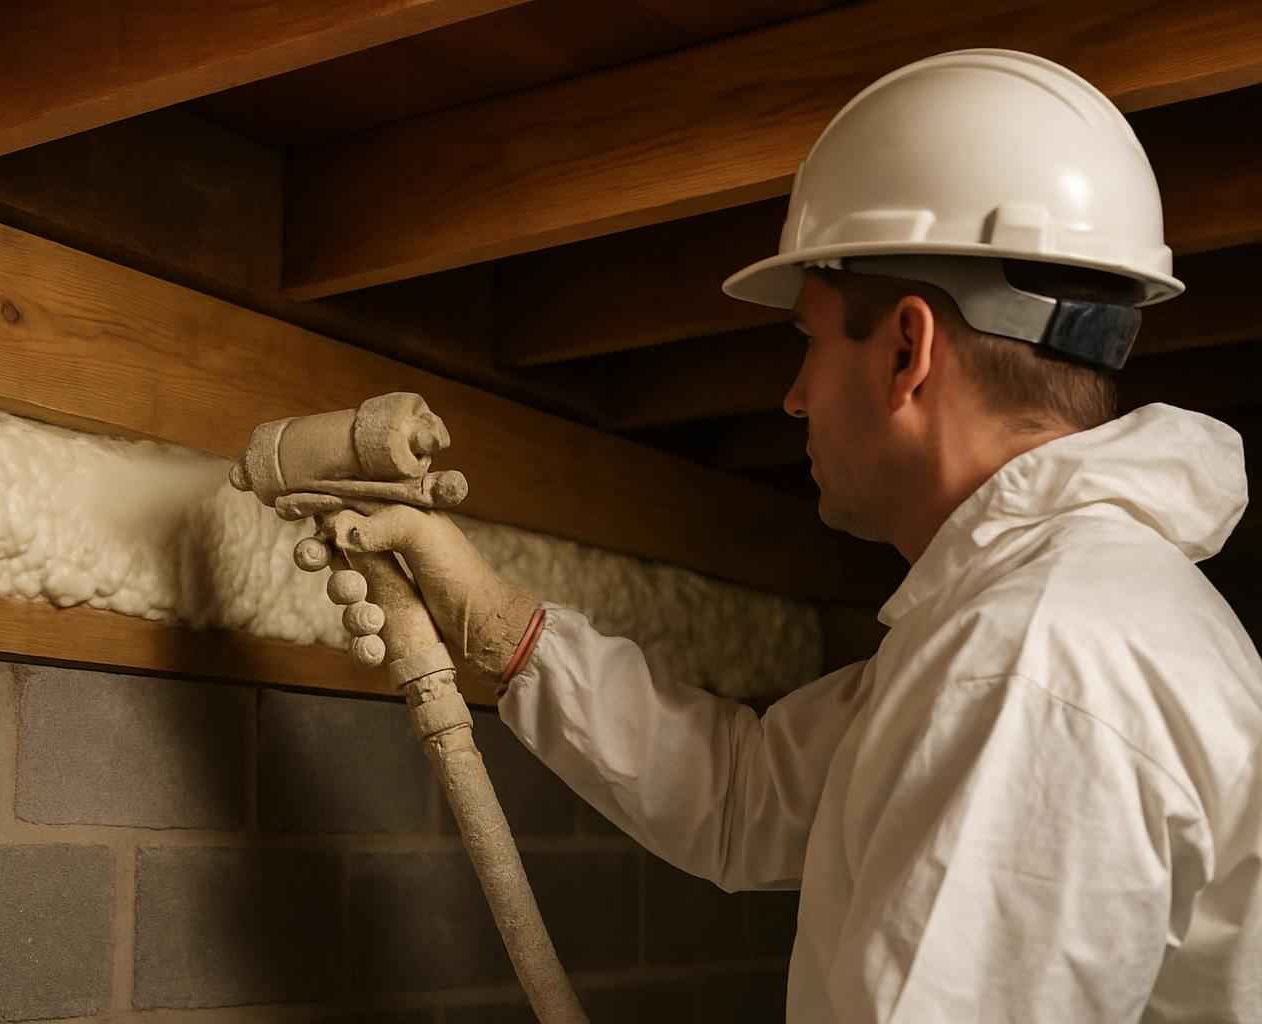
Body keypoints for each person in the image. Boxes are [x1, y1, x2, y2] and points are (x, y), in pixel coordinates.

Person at [322, 50, 1262, 1021]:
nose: (794, 395)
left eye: (810, 340)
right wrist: (498, 622)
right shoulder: (1040, 625)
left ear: (907, 351)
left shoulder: (1034, 660)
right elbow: (743, 796)